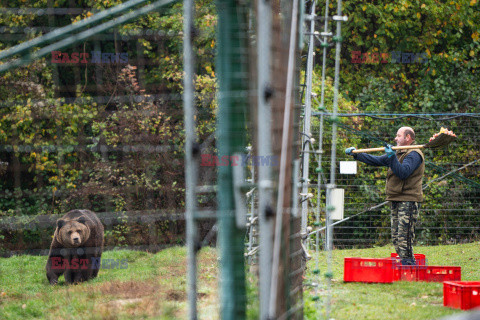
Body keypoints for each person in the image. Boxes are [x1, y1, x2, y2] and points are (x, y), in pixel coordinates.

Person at [345, 127, 425, 266]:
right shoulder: (398, 153)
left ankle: (409, 267)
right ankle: (405, 267)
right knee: (396, 237)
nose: (395, 138)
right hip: (395, 198)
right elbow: (375, 160)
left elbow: (403, 172)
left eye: (398, 135)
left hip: (408, 200)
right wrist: (356, 154)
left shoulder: (414, 154)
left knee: (404, 238)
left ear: (407, 138)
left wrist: (391, 157)